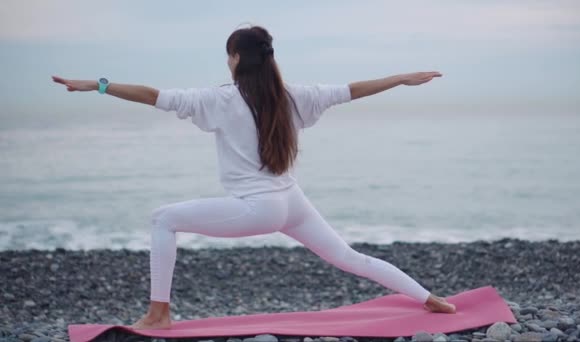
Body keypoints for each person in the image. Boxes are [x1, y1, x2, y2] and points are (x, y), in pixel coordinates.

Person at [51, 25, 454, 330]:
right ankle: (430, 298)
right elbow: (353, 90)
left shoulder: (219, 99)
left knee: (163, 218)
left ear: (237, 59)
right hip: (291, 202)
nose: (227, 62)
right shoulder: (295, 95)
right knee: (350, 258)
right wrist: (400, 77)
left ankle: (159, 313)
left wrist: (99, 85)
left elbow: (152, 95)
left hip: (257, 209)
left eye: (229, 56)